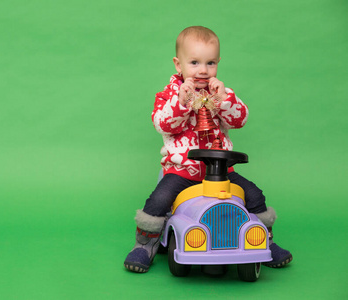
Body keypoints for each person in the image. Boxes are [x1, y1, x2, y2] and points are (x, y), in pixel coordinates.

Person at [124, 26, 292, 273]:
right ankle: (145, 245)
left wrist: (224, 100)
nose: (203, 70)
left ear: (218, 63)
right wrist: (181, 103)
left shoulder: (222, 93)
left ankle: (264, 240)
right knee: (159, 200)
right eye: (194, 62)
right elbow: (163, 124)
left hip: (221, 171)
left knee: (254, 195)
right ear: (178, 64)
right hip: (183, 170)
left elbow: (240, 120)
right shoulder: (169, 95)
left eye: (210, 63)